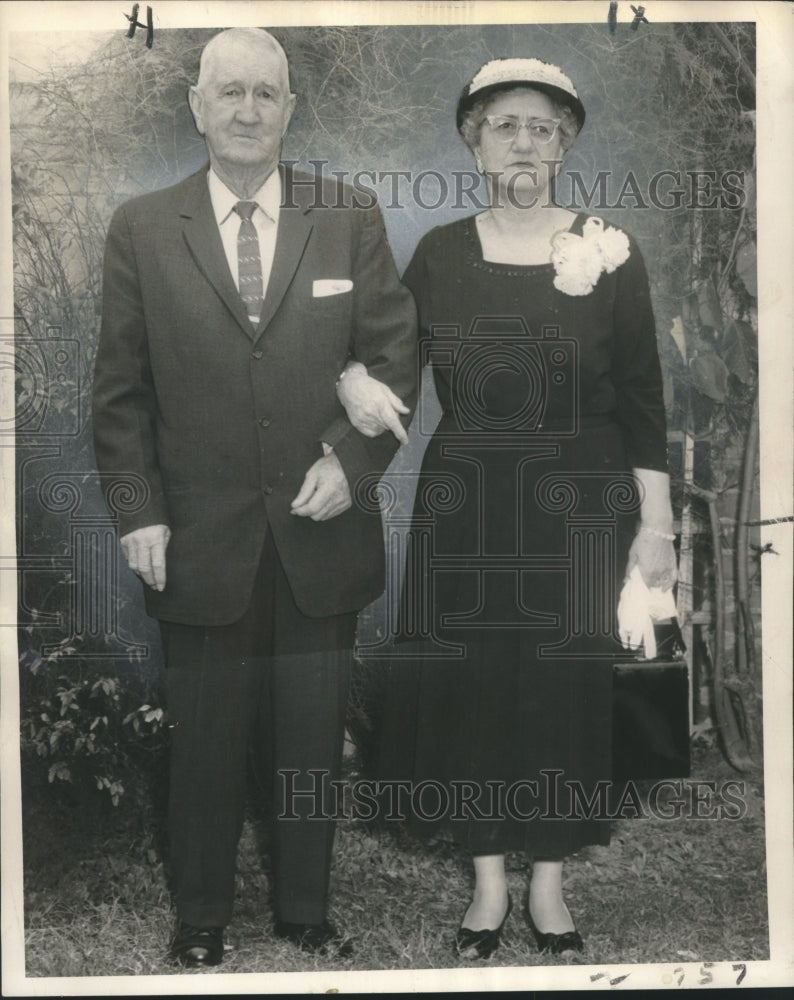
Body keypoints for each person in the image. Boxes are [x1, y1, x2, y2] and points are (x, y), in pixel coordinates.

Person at [337, 57, 677, 960]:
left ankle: (551, 887)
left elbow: (643, 398)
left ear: (562, 146)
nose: (523, 142)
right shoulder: (441, 252)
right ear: (475, 143)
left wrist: (656, 526)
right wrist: (351, 374)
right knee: (480, 688)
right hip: (470, 501)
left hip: (583, 501)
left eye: (542, 128)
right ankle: (489, 887)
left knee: (565, 687)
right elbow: (391, 362)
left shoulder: (612, 250)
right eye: (504, 126)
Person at [91, 27, 416, 967]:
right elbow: (120, 393)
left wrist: (350, 463)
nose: (245, 111)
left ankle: (305, 911)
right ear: (197, 107)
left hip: (321, 532)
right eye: (227, 93)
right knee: (205, 740)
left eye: (263, 95)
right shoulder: (143, 226)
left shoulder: (347, 214)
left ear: (288, 111)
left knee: (310, 734)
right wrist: (137, 510)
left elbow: (396, 357)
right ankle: (200, 917)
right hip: (196, 534)